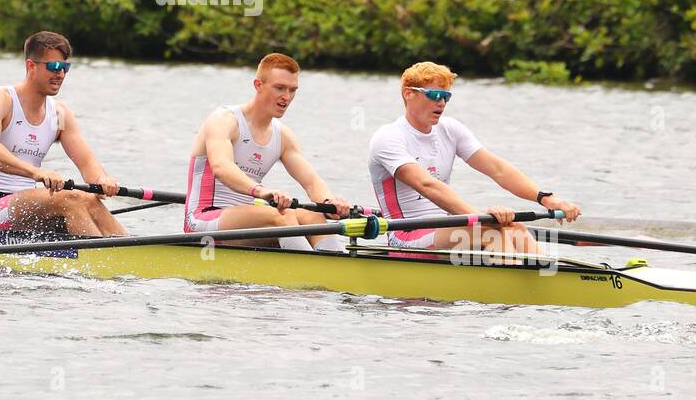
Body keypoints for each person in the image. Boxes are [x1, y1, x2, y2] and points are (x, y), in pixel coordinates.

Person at [368, 62, 581, 255]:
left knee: (516, 228)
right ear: (408, 93)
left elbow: (498, 169)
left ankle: (545, 276)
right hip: (405, 235)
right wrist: (482, 218)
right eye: (434, 94)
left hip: (444, 228)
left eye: (446, 96)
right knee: (493, 232)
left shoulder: (450, 129)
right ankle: (510, 283)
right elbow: (427, 185)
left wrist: (546, 198)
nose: (441, 102)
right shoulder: (388, 137)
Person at [185, 53, 350, 250]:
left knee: (313, 217)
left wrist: (329, 203)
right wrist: (261, 191)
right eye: (279, 88)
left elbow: (312, 182)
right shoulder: (224, 120)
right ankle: (310, 267)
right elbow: (222, 167)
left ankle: (334, 265)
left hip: (248, 219)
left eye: (292, 90)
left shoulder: (283, 136)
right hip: (203, 220)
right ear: (258, 85)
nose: (286, 97)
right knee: (283, 215)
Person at [0, 31, 126, 237]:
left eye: (65, 67)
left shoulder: (58, 114)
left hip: (31, 205)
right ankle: (102, 256)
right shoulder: (0, 99)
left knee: (90, 199)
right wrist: (37, 173)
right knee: (71, 198)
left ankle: (131, 250)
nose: (60, 74)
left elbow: (87, 163)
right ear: (31, 66)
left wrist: (102, 179)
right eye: (54, 66)